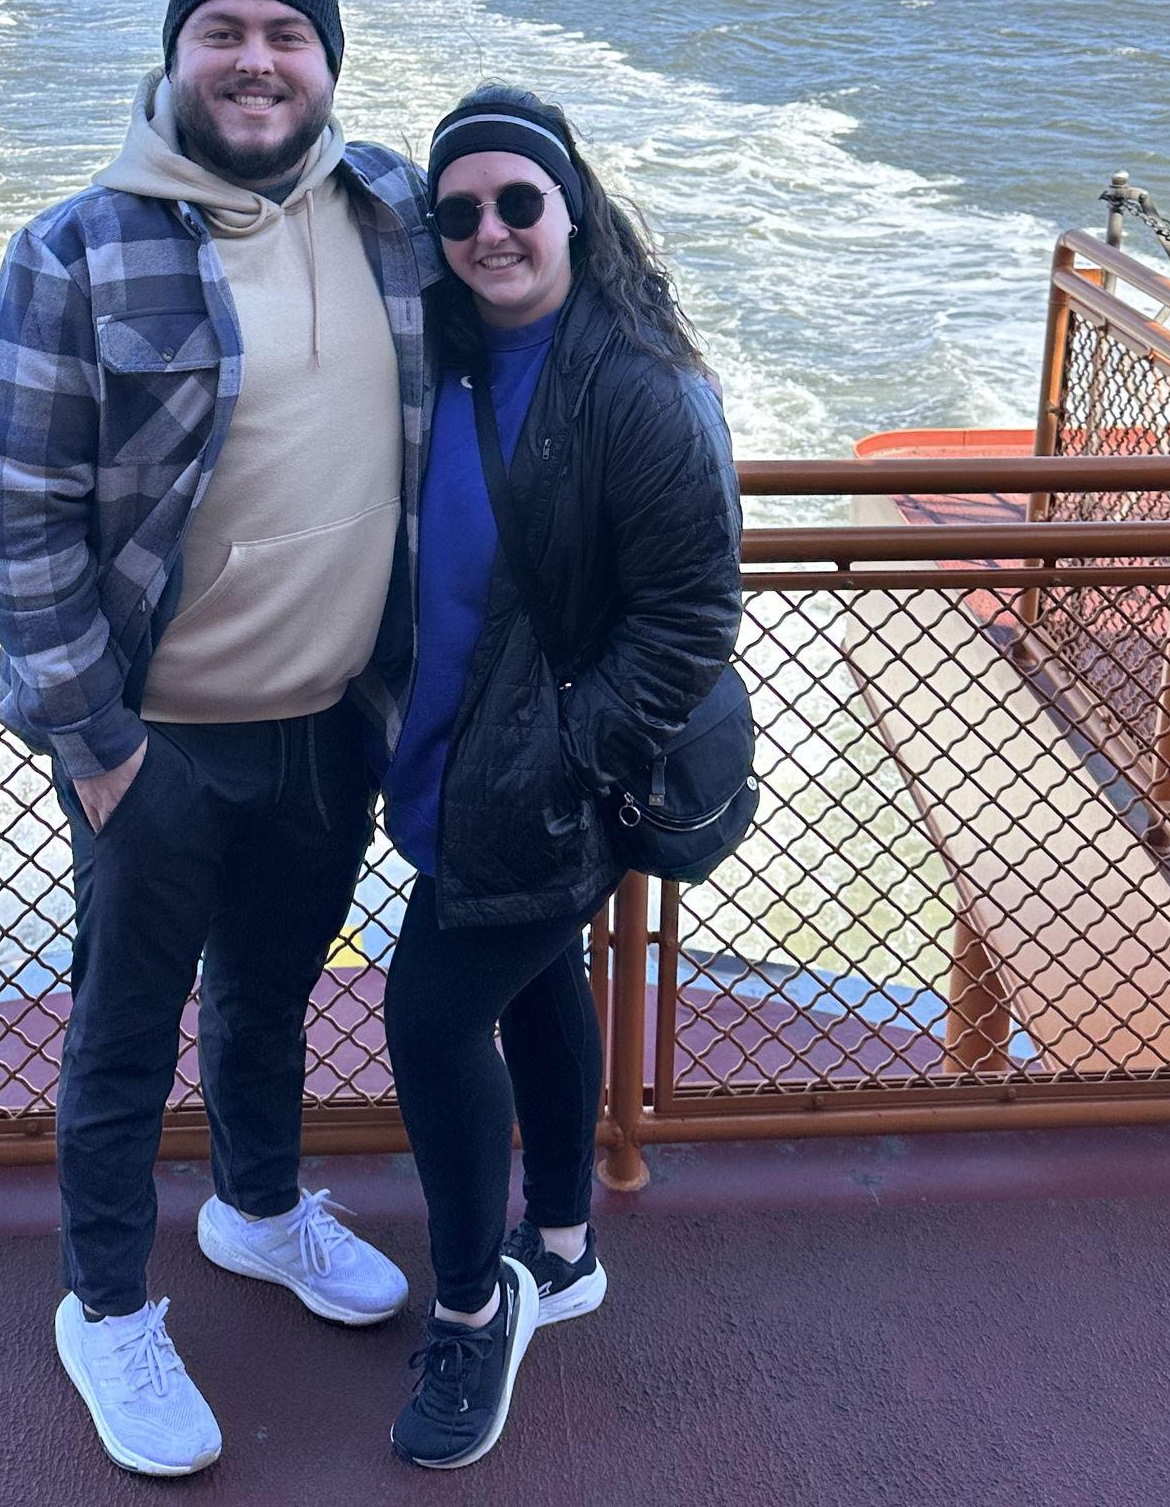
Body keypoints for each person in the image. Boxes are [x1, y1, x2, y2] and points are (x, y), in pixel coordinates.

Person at [0, 0, 440, 1479]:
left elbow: (552, 266)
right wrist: (97, 751)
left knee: (272, 995)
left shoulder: (392, 214)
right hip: (154, 739)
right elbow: (17, 518)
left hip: (331, 719)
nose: (255, 59)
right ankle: (103, 1304)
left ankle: (253, 1212)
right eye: (223, 30)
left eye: (284, 35)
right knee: (121, 1030)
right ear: (174, 58)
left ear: (327, 65)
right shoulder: (78, 248)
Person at [378, 84, 743, 1470]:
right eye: (458, 211)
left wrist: (574, 757)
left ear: (572, 209)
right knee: (537, 987)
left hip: (545, 785)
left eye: (518, 202)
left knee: (426, 1021)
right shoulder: (450, 353)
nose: (490, 231)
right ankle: (570, 1248)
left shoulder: (640, 388)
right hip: (446, 763)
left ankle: (475, 1308)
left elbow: (692, 615)